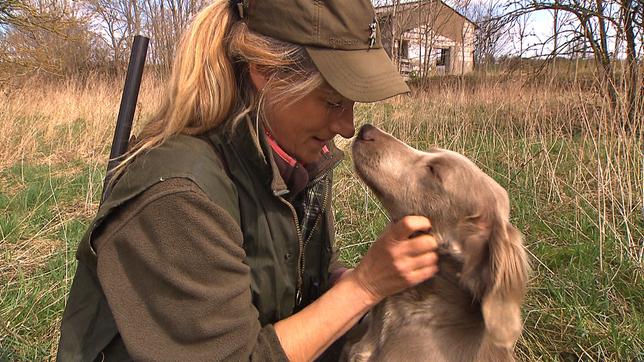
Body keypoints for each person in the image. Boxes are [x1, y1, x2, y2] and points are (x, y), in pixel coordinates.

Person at [56, 0, 440, 361]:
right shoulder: (179, 198)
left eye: (352, 104)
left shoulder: (291, 161)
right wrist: (365, 287)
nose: (346, 126)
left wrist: (348, 283)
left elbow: (305, 274)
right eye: (332, 101)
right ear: (266, 72)